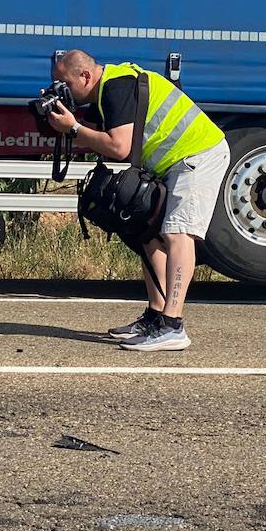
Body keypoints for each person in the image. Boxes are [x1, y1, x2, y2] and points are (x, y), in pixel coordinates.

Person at [45, 50, 231, 352]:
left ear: (85, 76)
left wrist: (74, 129)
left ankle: (172, 325)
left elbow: (119, 147)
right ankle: (156, 316)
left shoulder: (116, 87)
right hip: (174, 161)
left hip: (198, 155)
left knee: (177, 234)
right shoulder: (108, 88)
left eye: (64, 83)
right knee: (144, 230)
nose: (61, 89)